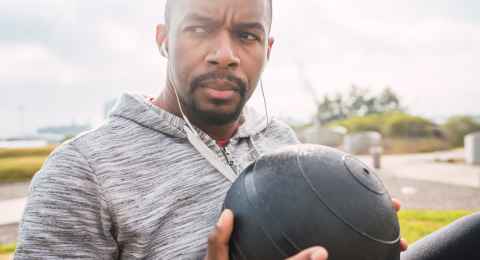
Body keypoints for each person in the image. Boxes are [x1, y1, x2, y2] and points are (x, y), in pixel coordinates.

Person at [14, 0, 407, 259]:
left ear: (267, 50)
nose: (225, 55)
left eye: (246, 35)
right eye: (200, 29)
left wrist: (365, 238)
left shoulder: (283, 143)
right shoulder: (82, 172)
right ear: (163, 40)